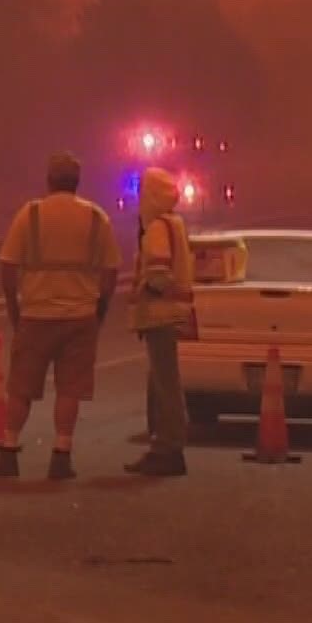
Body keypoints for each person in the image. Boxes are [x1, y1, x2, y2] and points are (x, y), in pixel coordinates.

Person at [0, 152, 121, 480]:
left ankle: (8, 452)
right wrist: (99, 311)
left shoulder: (31, 214)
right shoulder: (97, 218)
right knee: (70, 389)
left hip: (36, 314)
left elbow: (8, 266)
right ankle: (61, 454)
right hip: (80, 315)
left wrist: (14, 309)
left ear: (49, 180)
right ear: (77, 182)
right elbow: (110, 272)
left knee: (21, 387)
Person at [125, 167, 194, 477]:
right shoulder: (175, 224)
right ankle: (168, 445)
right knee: (167, 381)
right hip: (173, 313)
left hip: (159, 313)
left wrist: (145, 288)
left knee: (164, 384)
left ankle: (167, 447)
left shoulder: (155, 229)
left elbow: (158, 273)